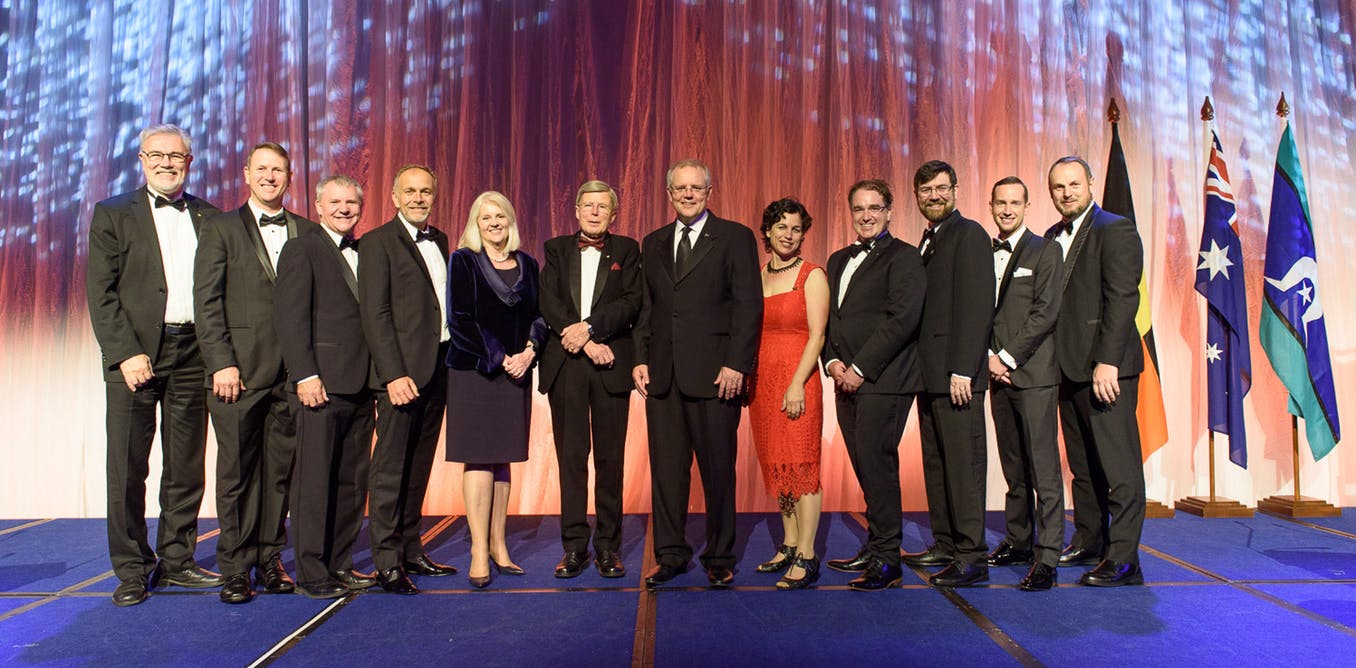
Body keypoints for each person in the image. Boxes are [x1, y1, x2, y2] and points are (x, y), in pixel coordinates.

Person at [86, 124, 224, 606]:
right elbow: (100, 294)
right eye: (157, 155)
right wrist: (125, 353)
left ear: (190, 160)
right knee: (127, 467)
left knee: (185, 466)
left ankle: (178, 561)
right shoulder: (112, 213)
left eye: (176, 156)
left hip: (194, 354)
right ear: (141, 160)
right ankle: (130, 569)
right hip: (136, 357)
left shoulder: (210, 215)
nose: (167, 163)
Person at [195, 142, 318, 604]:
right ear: (246, 174)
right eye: (262, 169)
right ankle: (234, 566)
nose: (270, 176)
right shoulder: (220, 227)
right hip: (238, 374)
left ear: (290, 176)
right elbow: (207, 303)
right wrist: (221, 362)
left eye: (279, 170)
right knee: (237, 473)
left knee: (279, 474)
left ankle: (270, 558)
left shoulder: (308, 231)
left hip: (292, 375)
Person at [633, 159, 762, 589]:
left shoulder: (735, 237)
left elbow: (748, 306)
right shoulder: (652, 243)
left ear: (710, 190)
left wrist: (737, 364)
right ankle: (669, 554)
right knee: (667, 472)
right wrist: (640, 359)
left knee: (718, 471)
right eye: (680, 188)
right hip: (663, 378)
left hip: (716, 377)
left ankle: (720, 555)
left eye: (696, 187)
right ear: (668, 194)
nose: (688, 194)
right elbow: (646, 310)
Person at [1044, 156, 1146, 586]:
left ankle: (1124, 559)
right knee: (1082, 465)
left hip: (1107, 369)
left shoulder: (1114, 228)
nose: (1066, 193)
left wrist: (1109, 361)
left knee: (1118, 466)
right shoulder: (1051, 236)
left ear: (1089, 184)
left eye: (1073, 184)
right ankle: (1090, 539)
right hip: (1066, 369)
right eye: (1057, 187)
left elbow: (1123, 300)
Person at [358, 165, 458, 595]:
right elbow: (375, 313)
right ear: (395, 197)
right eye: (410, 192)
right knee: (390, 469)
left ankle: (411, 549)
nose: (418, 198)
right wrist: (393, 374)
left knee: (418, 467)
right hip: (400, 374)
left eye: (426, 192)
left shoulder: (439, 239)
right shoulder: (377, 242)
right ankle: (386, 561)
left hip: (438, 367)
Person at [822, 180, 926, 592]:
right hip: (842, 379)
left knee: (877, 463)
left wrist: (861, 367)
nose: (866, 215)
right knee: (863, 463)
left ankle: (888, 558)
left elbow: (902, 319)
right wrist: (831, 361)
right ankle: (875, 543)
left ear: (889, 211)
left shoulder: (905, 258)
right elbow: (830, 317)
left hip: (885, 379)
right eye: (859, 208)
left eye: (874, 208)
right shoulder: (836, 259)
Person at [274, 176, 375, 599]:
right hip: (319, 384)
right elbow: (290, 318)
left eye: (351, 201)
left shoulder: (368, 249)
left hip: (362, 383)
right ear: (318, 205)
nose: (344, 208)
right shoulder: (301, 248)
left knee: (352, 480)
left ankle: (341, 562)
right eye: (335, 201)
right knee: (314, 482)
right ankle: (313, 571)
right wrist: (305, 374)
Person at [538, 180, 642, 579]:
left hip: (611, 362)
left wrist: (592, 330)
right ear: (576, 209)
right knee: (571, 459)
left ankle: (608, 547)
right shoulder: (556, 248)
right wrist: (582, 341)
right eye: (588, 205)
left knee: (610, 460)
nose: (595, 212)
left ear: (613, 214)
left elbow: (631, 301)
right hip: (568, 362)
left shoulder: (628, 250)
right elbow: (548, 300)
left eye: (603, 207)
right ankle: (574, 547)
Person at [445, 191, 546, 588]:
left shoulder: (527, 263)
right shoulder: (463, 260)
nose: (494, 223)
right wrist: (502, 355)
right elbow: (460, 319)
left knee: (503, 458)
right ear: (475, 222)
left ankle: (500, 546)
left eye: (500, 215)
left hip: (517, 372)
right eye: (486, 217)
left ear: (510, 220)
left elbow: (538, 316)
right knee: (478, 458)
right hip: (476, 372)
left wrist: (530, 352)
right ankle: (477, 550)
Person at [903, 160, 995, 588]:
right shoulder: (929, 239)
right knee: (937, 465)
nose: (934, 196)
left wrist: (963, 368)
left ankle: (972, 556)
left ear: (955, 189)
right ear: (917, 195)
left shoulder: (970, 234)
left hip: (957, 377)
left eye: (942, 188)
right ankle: (944, 543)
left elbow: (977, 308)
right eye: (926, 190)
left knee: (963, 466)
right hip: (930, 376)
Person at [983, 177, 1065, 592]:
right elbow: (978, 313)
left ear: (1027, 206)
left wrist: (1007, 358)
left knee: (1043, 469)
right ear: (992, 205)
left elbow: (1045, 313)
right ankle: (1018, 541)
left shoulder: (1046, 251)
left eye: (1015, 202)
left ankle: (1048, 555)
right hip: (996, 377)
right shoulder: (984, 251)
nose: (1008, 209)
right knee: (1013, 467)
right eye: (1001, 202)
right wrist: (987, 362)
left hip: (1032, 376)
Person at [747, 198, 829, 589]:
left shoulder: (812, 275)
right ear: (767, 231)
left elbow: (818, 335)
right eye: (781, 227)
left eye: (796, 229)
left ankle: (808, 555)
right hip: (763, 384)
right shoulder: (758, 275)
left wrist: (797, 382)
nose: (789, 235)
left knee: (802, 466)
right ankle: (790, 542)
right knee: (778, 466)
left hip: (798, 381)